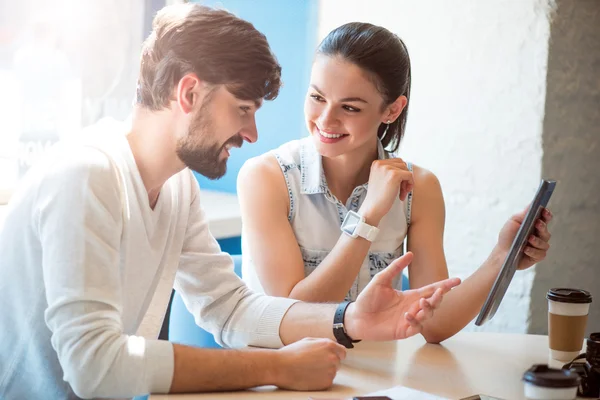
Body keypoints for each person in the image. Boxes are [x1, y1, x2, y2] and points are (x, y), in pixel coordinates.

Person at [0, 5, 462, 400]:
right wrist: (273, 368)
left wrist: (347, 319)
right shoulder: (87, 175)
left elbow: (231, 308)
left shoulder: (177, 187)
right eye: (243, 109)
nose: (252, 134)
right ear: (189, 93)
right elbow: (94, 367)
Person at [239, 22, 552, 344]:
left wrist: (503, 257)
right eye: (317, 97)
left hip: (374, 376)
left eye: (349, 107)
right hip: (280, 373)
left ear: (391, 110)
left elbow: (433, 323)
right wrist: (368, 218)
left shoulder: (421, 188)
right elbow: (293, 315)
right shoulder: (266, 177)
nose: (325, 119)